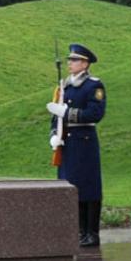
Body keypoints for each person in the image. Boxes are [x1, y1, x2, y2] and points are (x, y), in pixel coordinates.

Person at [48, 43, 107, 248]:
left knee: (89, 187)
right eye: (69, 60)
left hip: (84, 142)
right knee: (71, 187)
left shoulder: (93, 86)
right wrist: (54, 134)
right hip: (68, 143)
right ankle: (79, 231)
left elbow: (95, 114)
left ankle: (92, 233)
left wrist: (66, 114)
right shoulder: (65, 86)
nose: (69, 64)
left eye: (74, 60)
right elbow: (55, 116)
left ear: (85, 63)